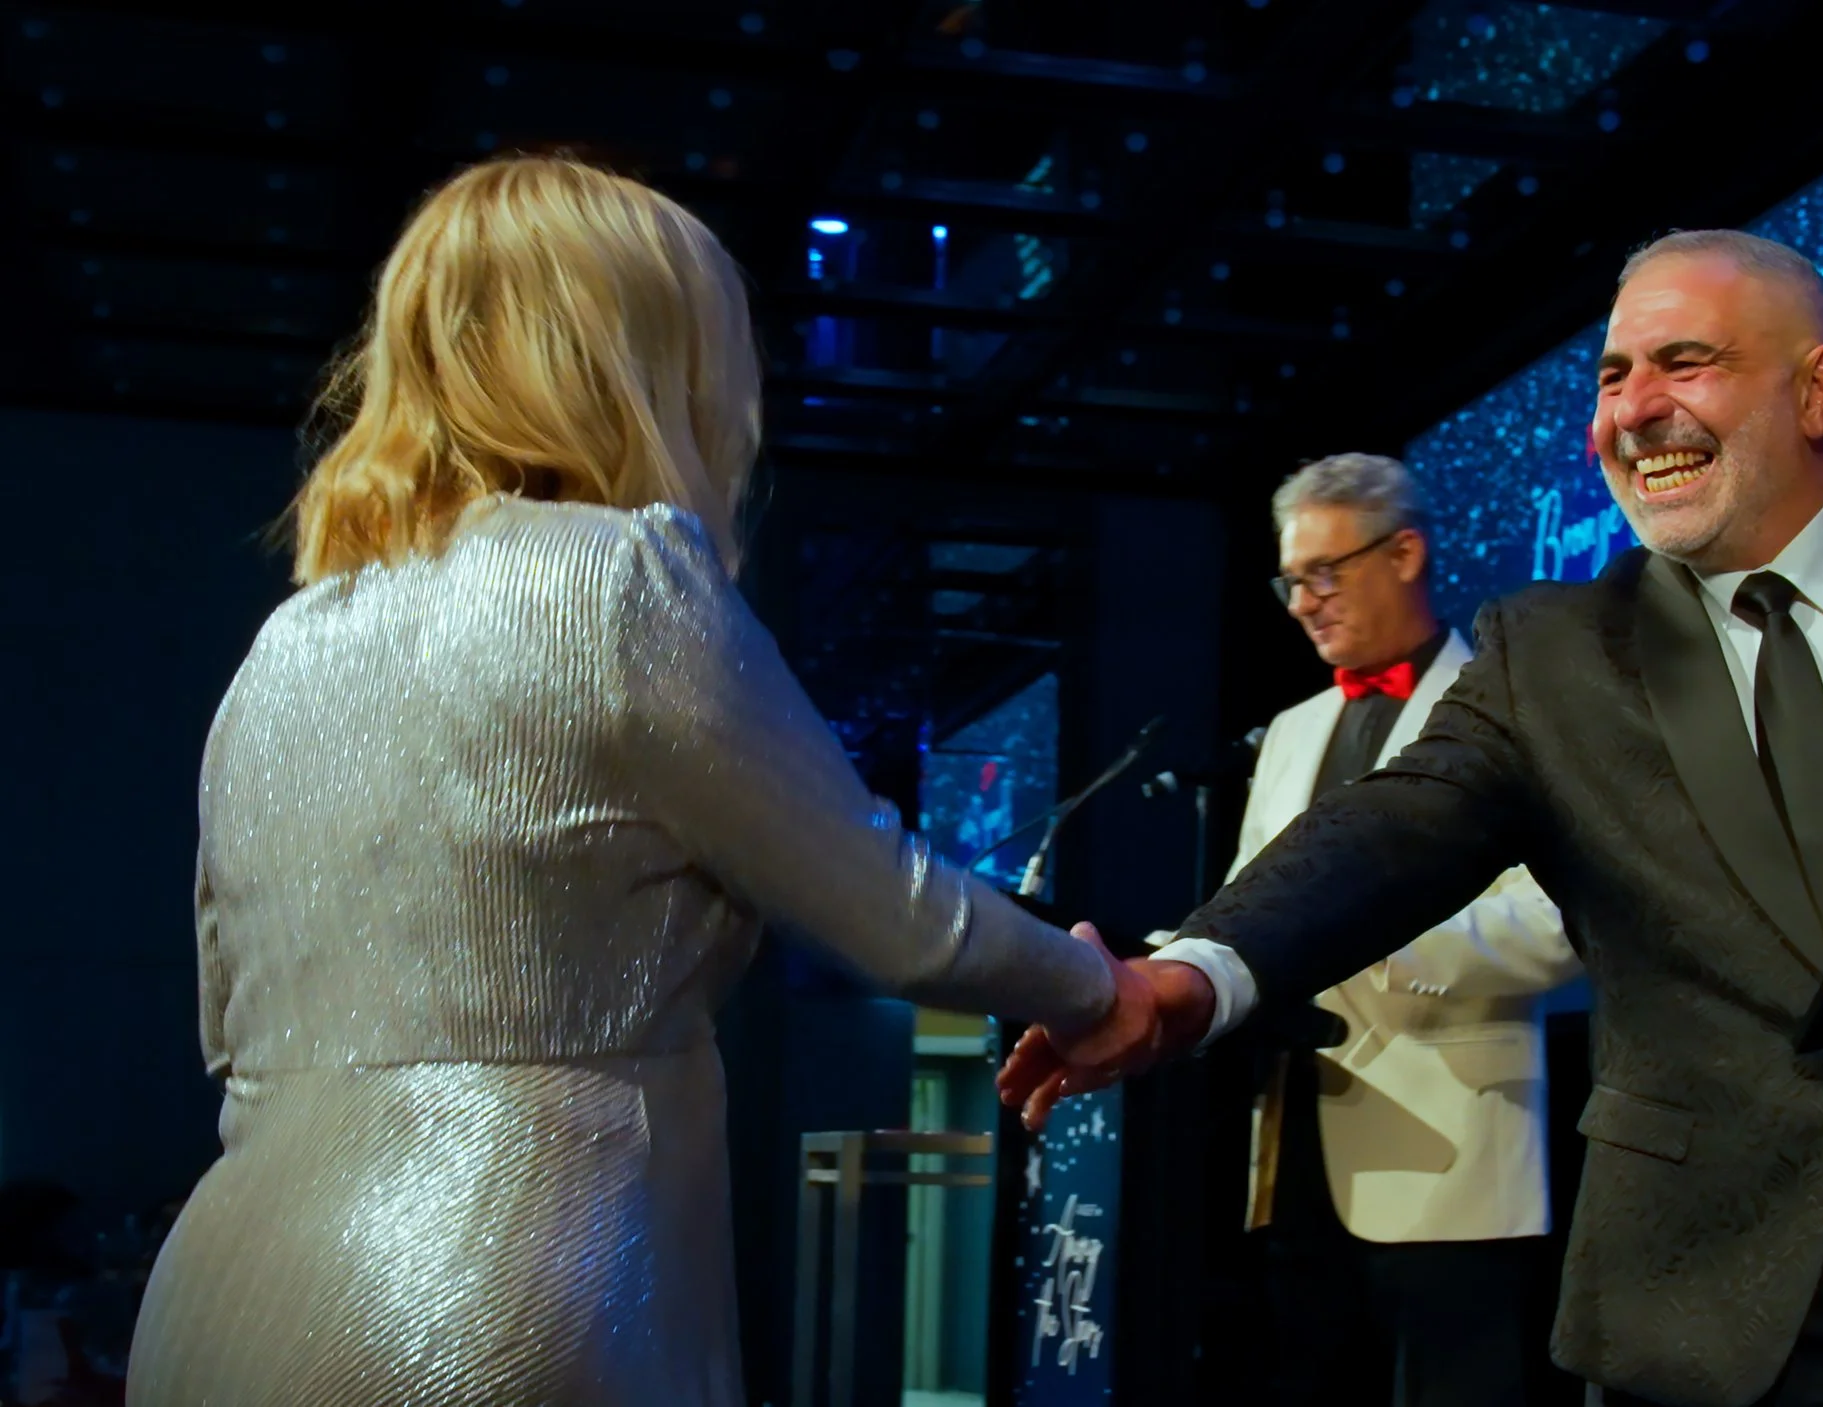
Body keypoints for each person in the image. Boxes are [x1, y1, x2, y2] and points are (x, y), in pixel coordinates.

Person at [1007, 229, 1823, 1407]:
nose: (1632, 410)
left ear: (1817, 394)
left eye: (1685, 362)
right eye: (1613, 375)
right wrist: (1189, 980)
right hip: (1705, 1314)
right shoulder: (1553, 652)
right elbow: (1385, 833)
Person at [125, 156, 1156, 1406]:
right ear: (643, 362)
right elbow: (904, 917)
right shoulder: (617, 581)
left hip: (214, 1302)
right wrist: (1096, 987)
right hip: (493, 1290)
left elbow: (223, 1012)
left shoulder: (285, 644)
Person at [1184, 454, 1579, 1407]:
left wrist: (1363, 938)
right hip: (1296, 1144)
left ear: (1405, 552)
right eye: (1291, 581)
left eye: (1325, 572)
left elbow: (1559, 925)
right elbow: (1253, 901)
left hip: (1458, 1149)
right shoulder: (1288, 730)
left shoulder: (1510, 706)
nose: (1303, 603)